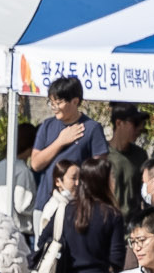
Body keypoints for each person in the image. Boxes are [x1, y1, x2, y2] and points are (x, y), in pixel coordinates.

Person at [27, 76, 107, 207]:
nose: (54, 107)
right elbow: (35, 164)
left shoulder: (92, 128)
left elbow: (99, 171)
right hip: (45, 204)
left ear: (75, 101)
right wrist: (60, 141)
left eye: (58, 103)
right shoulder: (47, 126)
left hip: (77, 205)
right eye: (51, 103)